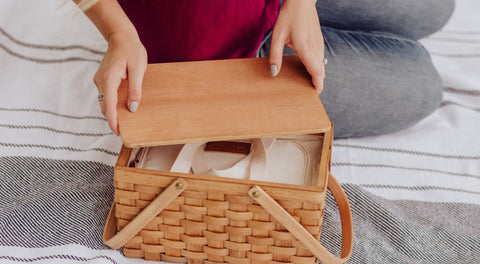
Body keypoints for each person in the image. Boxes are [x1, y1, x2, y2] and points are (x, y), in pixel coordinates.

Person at [75, 0, 455, 138]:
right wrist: (119, 32)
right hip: (209, 49)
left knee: (435, 6)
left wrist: (302, 3)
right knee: (421, 83)